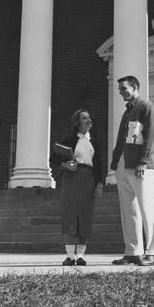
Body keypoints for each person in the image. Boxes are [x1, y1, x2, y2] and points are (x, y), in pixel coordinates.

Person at [110, 75, 154, 266]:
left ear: (135, 87)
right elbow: (124, 139)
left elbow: (150, 135)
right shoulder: (128, 111)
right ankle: (133, 251)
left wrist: (143, 161)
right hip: (124, 165)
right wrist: (115, 164)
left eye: (124, 88)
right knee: (128, 209)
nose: (121, 92)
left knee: (147, 208)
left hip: (141, 166)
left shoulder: (146, 107)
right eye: (120, 90)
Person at [52, 109, 104, 266]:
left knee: (85, 214)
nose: (88, 120)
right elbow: (53, 158)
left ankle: (80, 255)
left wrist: (99, 184)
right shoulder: (68, 140)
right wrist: (65, 165)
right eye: (84, 118)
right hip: (71, 178)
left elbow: (99, 165)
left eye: (89, 117)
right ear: (77, 122)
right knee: (70, 213)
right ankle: (69, 256)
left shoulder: (95, 142)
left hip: (89, 179)